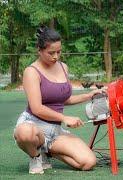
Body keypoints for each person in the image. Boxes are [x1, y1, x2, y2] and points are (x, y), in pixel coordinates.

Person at [13, 26, 101, 174]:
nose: (56, 56)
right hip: (33, 125)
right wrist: (64, 117)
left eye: (59, 52)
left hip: (55, 131)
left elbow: (63, 100)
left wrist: (90, 95)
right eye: (51, 53)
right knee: (25, 133)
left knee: (88, 162)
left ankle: (47, 151)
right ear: (39, 50)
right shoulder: (31, 72)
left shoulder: (63, 67)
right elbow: (37, 108)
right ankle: (35, 155)